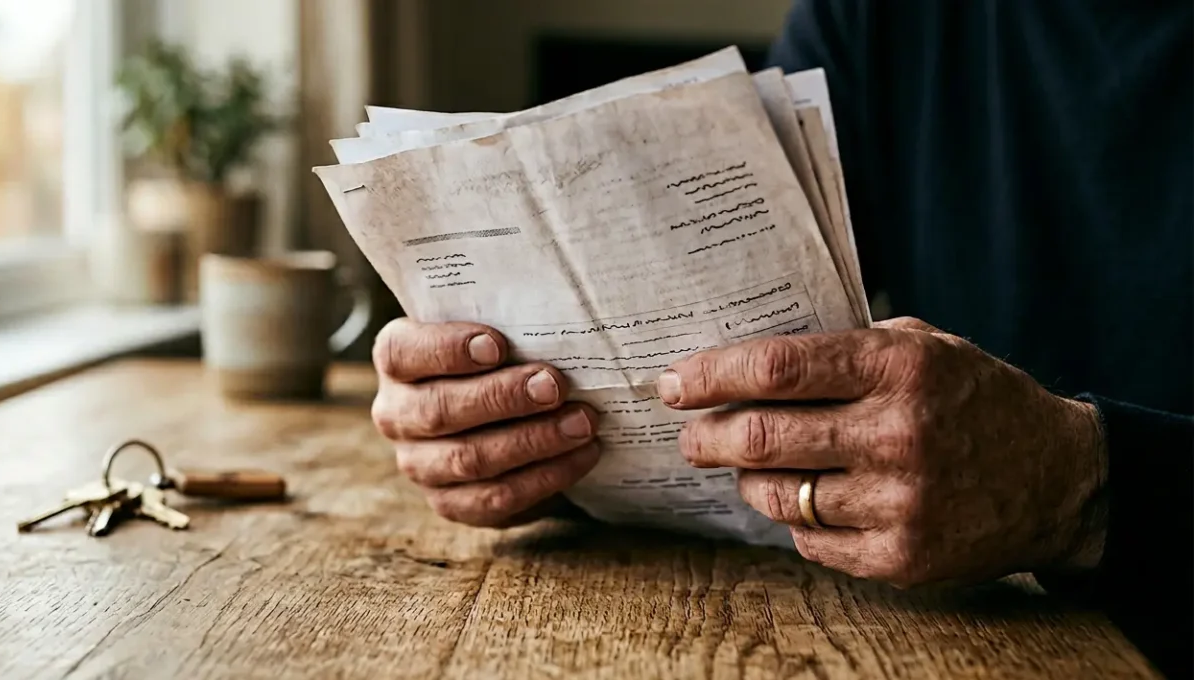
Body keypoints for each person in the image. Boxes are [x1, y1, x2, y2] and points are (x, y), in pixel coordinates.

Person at [366, 1, 1192, 675]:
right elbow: (740, 326)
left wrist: (1081, 483)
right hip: (951, 633)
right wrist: (554, 442)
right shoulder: (879, 17)